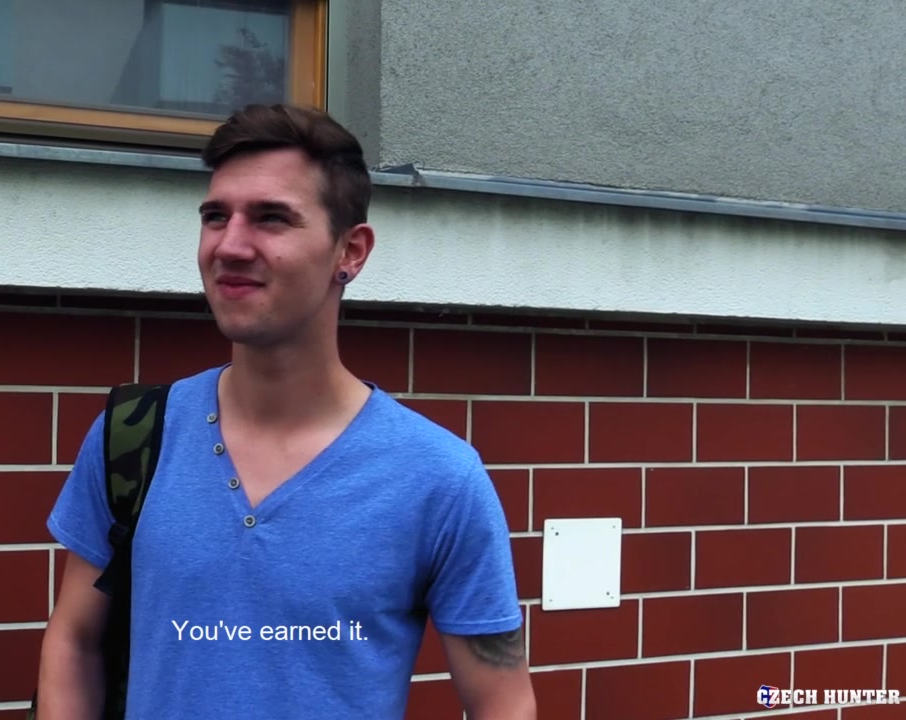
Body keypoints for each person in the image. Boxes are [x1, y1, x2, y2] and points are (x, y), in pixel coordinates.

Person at [37, 103, 535, 719]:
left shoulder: (438, 478)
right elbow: (74, 639)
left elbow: (503, 702)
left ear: (350, 251)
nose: (230, 245)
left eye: (271, 218)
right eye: (215, 217)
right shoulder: (135, 437)